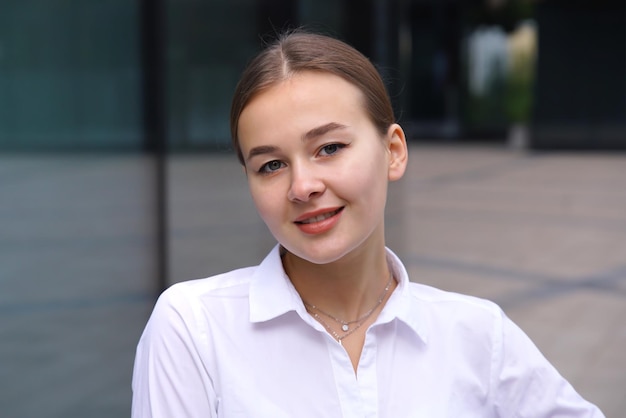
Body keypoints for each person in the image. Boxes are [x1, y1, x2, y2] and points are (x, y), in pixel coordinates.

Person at [132, 30, 604, 417]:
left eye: (329, 148)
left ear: (393, 151)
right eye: (271, 165)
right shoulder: (193, 328)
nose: (303, 186)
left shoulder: (477, 336)